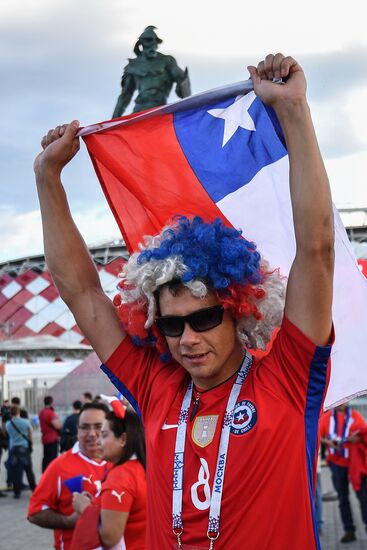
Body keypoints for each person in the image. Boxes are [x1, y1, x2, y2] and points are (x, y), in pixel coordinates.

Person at [34, 53, 334, 549]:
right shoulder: (156, 386)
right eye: (172, 326)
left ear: (239, 309)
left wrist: (293, 112)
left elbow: (317, 250)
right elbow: (81, 291)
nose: (188, 339)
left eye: (205, 318)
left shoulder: (288, 378)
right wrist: (48, 179)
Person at [28, 402, 110, 550]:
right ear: (77, 430)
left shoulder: (120, 462)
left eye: (98, 426)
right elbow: (34, 513)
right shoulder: (59, 467)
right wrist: (68, 521)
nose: (92, 433)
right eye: (85, 427)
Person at [71, 402, 146, 549]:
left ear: (123, 439)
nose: (98, 441)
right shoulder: (139, 468)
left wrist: (85, 509)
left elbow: (110, 537)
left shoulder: (121, 476)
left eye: (104, 435)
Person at [112, 25, 190, 117]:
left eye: (155, 41)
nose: (153, 44)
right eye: (149, 40)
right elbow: (125, 96)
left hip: (160, 110)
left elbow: (183, 84)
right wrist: (112, 122)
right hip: (139, 111)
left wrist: (189, 108)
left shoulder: (167, 61)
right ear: (141, 43)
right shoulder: (133, 66)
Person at [320, 403, 367, 543]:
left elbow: (363, 434)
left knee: (363, 497)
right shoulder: (327, 417)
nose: (342, 403)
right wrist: (328, 442)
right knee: (343, 498)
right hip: (336, 462)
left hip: (354, 462)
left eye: (345, 401)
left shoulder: (355, 416)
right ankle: (349, 530)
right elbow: (319, 435)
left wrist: (357, 439)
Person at [5, 405, 36, 498]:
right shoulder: (25, 422)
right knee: (28, 470)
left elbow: (8, 434)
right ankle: (34, 489)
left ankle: (17, 492)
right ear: (18, 412)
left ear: (11, 413)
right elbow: (30, 434)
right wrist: (30, 444)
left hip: (13, 448)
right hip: (24, 448)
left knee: (16, 471)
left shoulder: (8, 424)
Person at [39, 395, 61, 471]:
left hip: (45, 438)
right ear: (51, 402)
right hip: (52, 438)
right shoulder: (50, 413)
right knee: (51, 459)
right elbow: (57, 426)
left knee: (46, 458)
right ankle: (50, 474)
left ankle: (44, 474)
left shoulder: (41, 412)